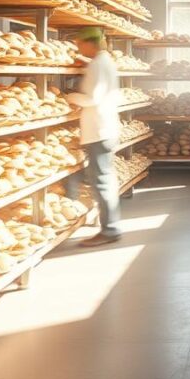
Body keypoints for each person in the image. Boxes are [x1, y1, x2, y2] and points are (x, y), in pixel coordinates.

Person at [65, 26, 123, 247]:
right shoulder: (103, 61)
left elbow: (93, 98)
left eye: (80, 44)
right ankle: (95, 219)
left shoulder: (98, 64)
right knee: (99, 177)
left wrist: (69, 97)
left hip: (99, 131)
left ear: (90, 43)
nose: (79, 48)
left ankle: (109, 230)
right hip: (105, 129)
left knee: (101, 181)